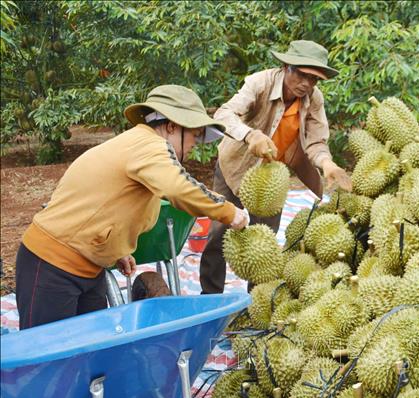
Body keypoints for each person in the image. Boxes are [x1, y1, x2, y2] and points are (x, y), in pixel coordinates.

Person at [14, 84, 249, 331]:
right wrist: (229, 212)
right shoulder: (149, 146)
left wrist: (114, 249)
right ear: (172, 126)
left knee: (90, 351)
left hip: (90, 270)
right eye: (195, 135)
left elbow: (108, 199)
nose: (196, 144)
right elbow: (180, 188)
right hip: (52, 264)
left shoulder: (139, 148)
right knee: (49, 357)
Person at [199, 40, 351, 294]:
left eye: (314, 79)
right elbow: (224, 114)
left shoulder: (313, 99)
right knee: (218, 232)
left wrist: (327, 164)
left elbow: (315, 141)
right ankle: (209, 296)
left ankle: (256, 299)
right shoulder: (260, 83)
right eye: (302, 74)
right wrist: (250, 136)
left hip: (273, 177)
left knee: (266, 241)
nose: (306, 84)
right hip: (236, 166)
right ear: (285, 66)